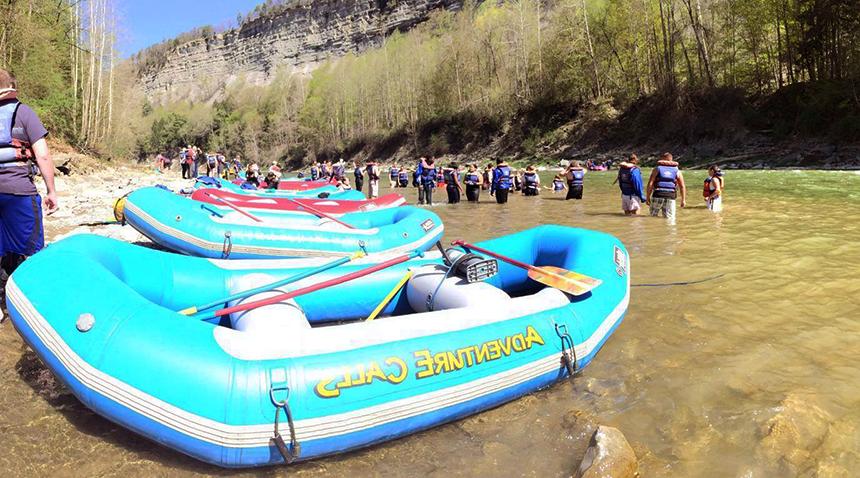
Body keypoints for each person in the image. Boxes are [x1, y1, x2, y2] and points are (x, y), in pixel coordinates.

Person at [0, 69, 58, 280]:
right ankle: (25, 297)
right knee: (29, 250)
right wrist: (51, 191)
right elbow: (42, 156)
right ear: (12, 89)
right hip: (18, 191)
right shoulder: (23, 113)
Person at [647, 152, 686, 223]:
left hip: (658, 194)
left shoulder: (657, 169)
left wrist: (647, 197)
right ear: (671, 160)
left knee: (653, 217)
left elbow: (650, 184)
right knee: (670, 218)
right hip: (670, 196)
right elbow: (682, 186)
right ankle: (669, 233)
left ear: (663, 159)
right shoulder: (677, 171)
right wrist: (683, 200)